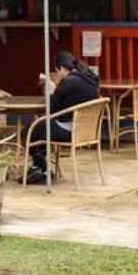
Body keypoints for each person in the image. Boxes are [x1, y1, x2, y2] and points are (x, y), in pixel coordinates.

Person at [24, 51, 100, 185]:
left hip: (68, 130)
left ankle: (40, 168)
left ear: (62, 68)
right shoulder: (91, 79)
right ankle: (41, 169)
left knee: (28, 131)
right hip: (86, 131)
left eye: (57, 71)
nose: (58, 74)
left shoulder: (69, 81)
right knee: (41, 129)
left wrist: (52, 90)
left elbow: (51, 108)